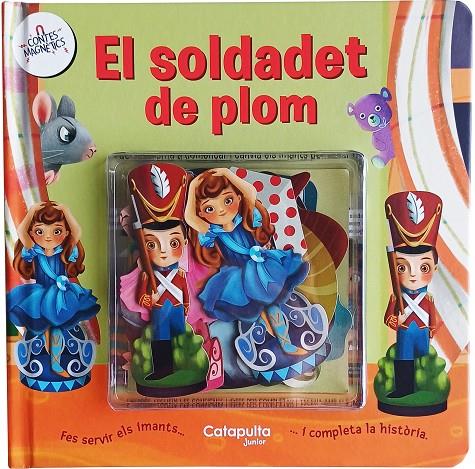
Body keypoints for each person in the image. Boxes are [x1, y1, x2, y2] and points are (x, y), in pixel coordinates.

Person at [185, 167, 309, 356]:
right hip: (239, 277)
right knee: (256, 311)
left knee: (271, 305)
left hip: (263, 267)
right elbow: (189, 218)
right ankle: (276, 344)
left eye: (227, 200)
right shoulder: (213, 232)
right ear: (201, 213)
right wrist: (193, 185)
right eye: (209, 208)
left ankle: (285, 344)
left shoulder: (246, 218)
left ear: (238, 197)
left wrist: (227, 173)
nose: (221, 210)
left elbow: (251, 192)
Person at [7, 201, 100, 377]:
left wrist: (66, 210)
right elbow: (21, 232)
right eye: (40, 231)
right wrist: (31, 212)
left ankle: (57, 363)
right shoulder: (34, 251)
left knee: (59, 327)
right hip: (40, 294)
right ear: (32, 233)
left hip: (61, 296)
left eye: (56, 231)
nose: (48, 237)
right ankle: (39, 361)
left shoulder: (65, 251)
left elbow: (77, 232)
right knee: (40, 328)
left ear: (66, 233)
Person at [127, 163, 190, 380]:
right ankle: (163, 369)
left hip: (178, 310)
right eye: (152, 244)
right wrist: (148, 299)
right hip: (160, 310)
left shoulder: (180, 274)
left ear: (185, 242)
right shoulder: (147, 275)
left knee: (181, 336)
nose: (163, 251)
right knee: (161, 338)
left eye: (173, 243)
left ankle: (185, 365)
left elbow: (185, 292)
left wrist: (186, 306)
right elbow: (141, 297)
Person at [383, 191, 442, 397]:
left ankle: (426, 387)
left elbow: (433, 317)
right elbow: (388, 318)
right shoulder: (396, 297)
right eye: (402, 267)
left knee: (424, 361)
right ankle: (404, 389)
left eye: (423, 267)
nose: (413, 274)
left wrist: (432, 330)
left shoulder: (428, 299)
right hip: (405, 332)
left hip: (422, 333)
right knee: (404, 359)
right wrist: (396, 321)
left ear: (435, 267)